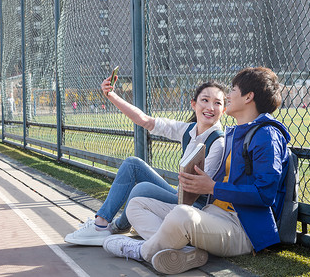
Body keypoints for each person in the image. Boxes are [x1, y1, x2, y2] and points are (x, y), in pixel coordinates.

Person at [102, 67, 291, 275]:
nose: (228, 96)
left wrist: (213, 187)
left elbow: (265, 194)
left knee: (181, 214)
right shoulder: (237, 133)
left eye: (233, 90)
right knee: (137, 204)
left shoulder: (267, 136)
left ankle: (142, 250)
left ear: (249, 97)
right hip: (214, 214)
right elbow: (146, 121)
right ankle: (185, 251)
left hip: (243, 229)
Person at [64, 72, 227, 246]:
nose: (210, 107)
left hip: (193, 205)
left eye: (217, 103)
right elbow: (145, 121)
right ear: (194, 104)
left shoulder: (218, 142)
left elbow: (198, 189)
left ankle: (111, 227)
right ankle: (102, 224)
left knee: (142, 189)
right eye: (205, 100)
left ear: (224, 110)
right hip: (178, 194)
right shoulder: (188, 130)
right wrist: (111, 96)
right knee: (132, 164)